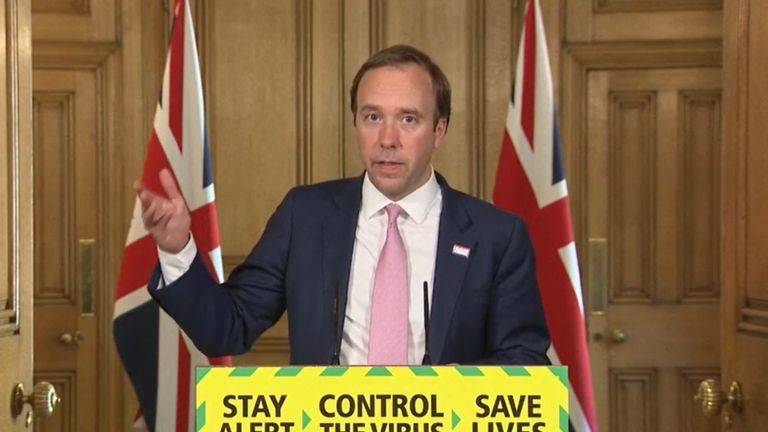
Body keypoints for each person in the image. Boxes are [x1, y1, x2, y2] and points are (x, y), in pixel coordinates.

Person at [138, 44, 550, 366]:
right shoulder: (305, 216)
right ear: (355, 122)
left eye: (408, 119)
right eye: (373, 117)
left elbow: (525, 360)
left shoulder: (496, 235)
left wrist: (445, 395)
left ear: (439, 130)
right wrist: (177, 249)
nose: (387, 139)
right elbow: (226, 329)